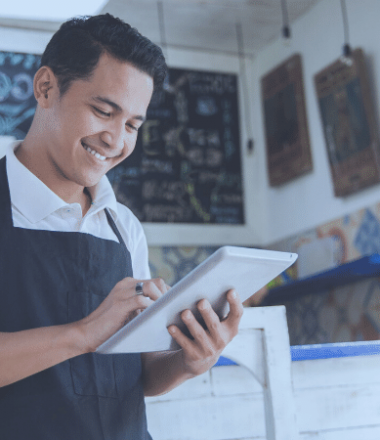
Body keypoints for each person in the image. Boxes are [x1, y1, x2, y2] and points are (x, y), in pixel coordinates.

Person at [0, 13, 243, 440]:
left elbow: (138, 375)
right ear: (45, 88)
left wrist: (191, 361)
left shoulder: (122, 226)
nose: (116, 140)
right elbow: (88, 340)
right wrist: (82, 334)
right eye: (103, 111)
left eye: (132, 125)